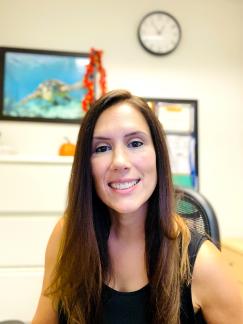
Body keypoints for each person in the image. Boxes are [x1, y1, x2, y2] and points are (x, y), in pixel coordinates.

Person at [32, 90, 243, 324]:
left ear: (157, 155)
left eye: (135, 143)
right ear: (87, 167)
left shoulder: (204, 263)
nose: (120, 162)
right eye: (101, 148)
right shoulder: (66, 236)